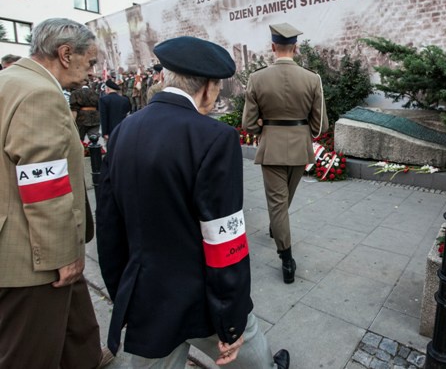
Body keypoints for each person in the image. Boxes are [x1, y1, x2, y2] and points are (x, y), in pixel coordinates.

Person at [96, 36, 290, 369]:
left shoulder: (125, 130)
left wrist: (121, 293)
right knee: (253, 358)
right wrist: (232, 318)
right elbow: (224, 237)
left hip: (146, 293)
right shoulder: (213, 137)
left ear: (165, 78)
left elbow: (109, 222)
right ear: (209, 88)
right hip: (201, 295)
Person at [0, 18, 110, 368]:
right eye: (90, 62)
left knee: (77, 323)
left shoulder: (11, 80)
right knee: (30, 350)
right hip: (32, 253)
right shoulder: (40, 94)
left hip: (19, 230)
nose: (92, 72)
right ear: (65, 54)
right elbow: (43, 185)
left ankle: (86, 358)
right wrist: (63, 254)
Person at [242, 23, 328, 284]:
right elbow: (321, 125)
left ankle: (286, 256)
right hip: (300, 147)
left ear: (272, 47)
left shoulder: (257, 78)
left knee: (278, 203)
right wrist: (304, 129)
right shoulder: (312, 79)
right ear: (296, 48)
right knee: (284, 200)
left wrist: (263, 128)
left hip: (272, 147)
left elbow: (248, 123)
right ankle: (283, 247)